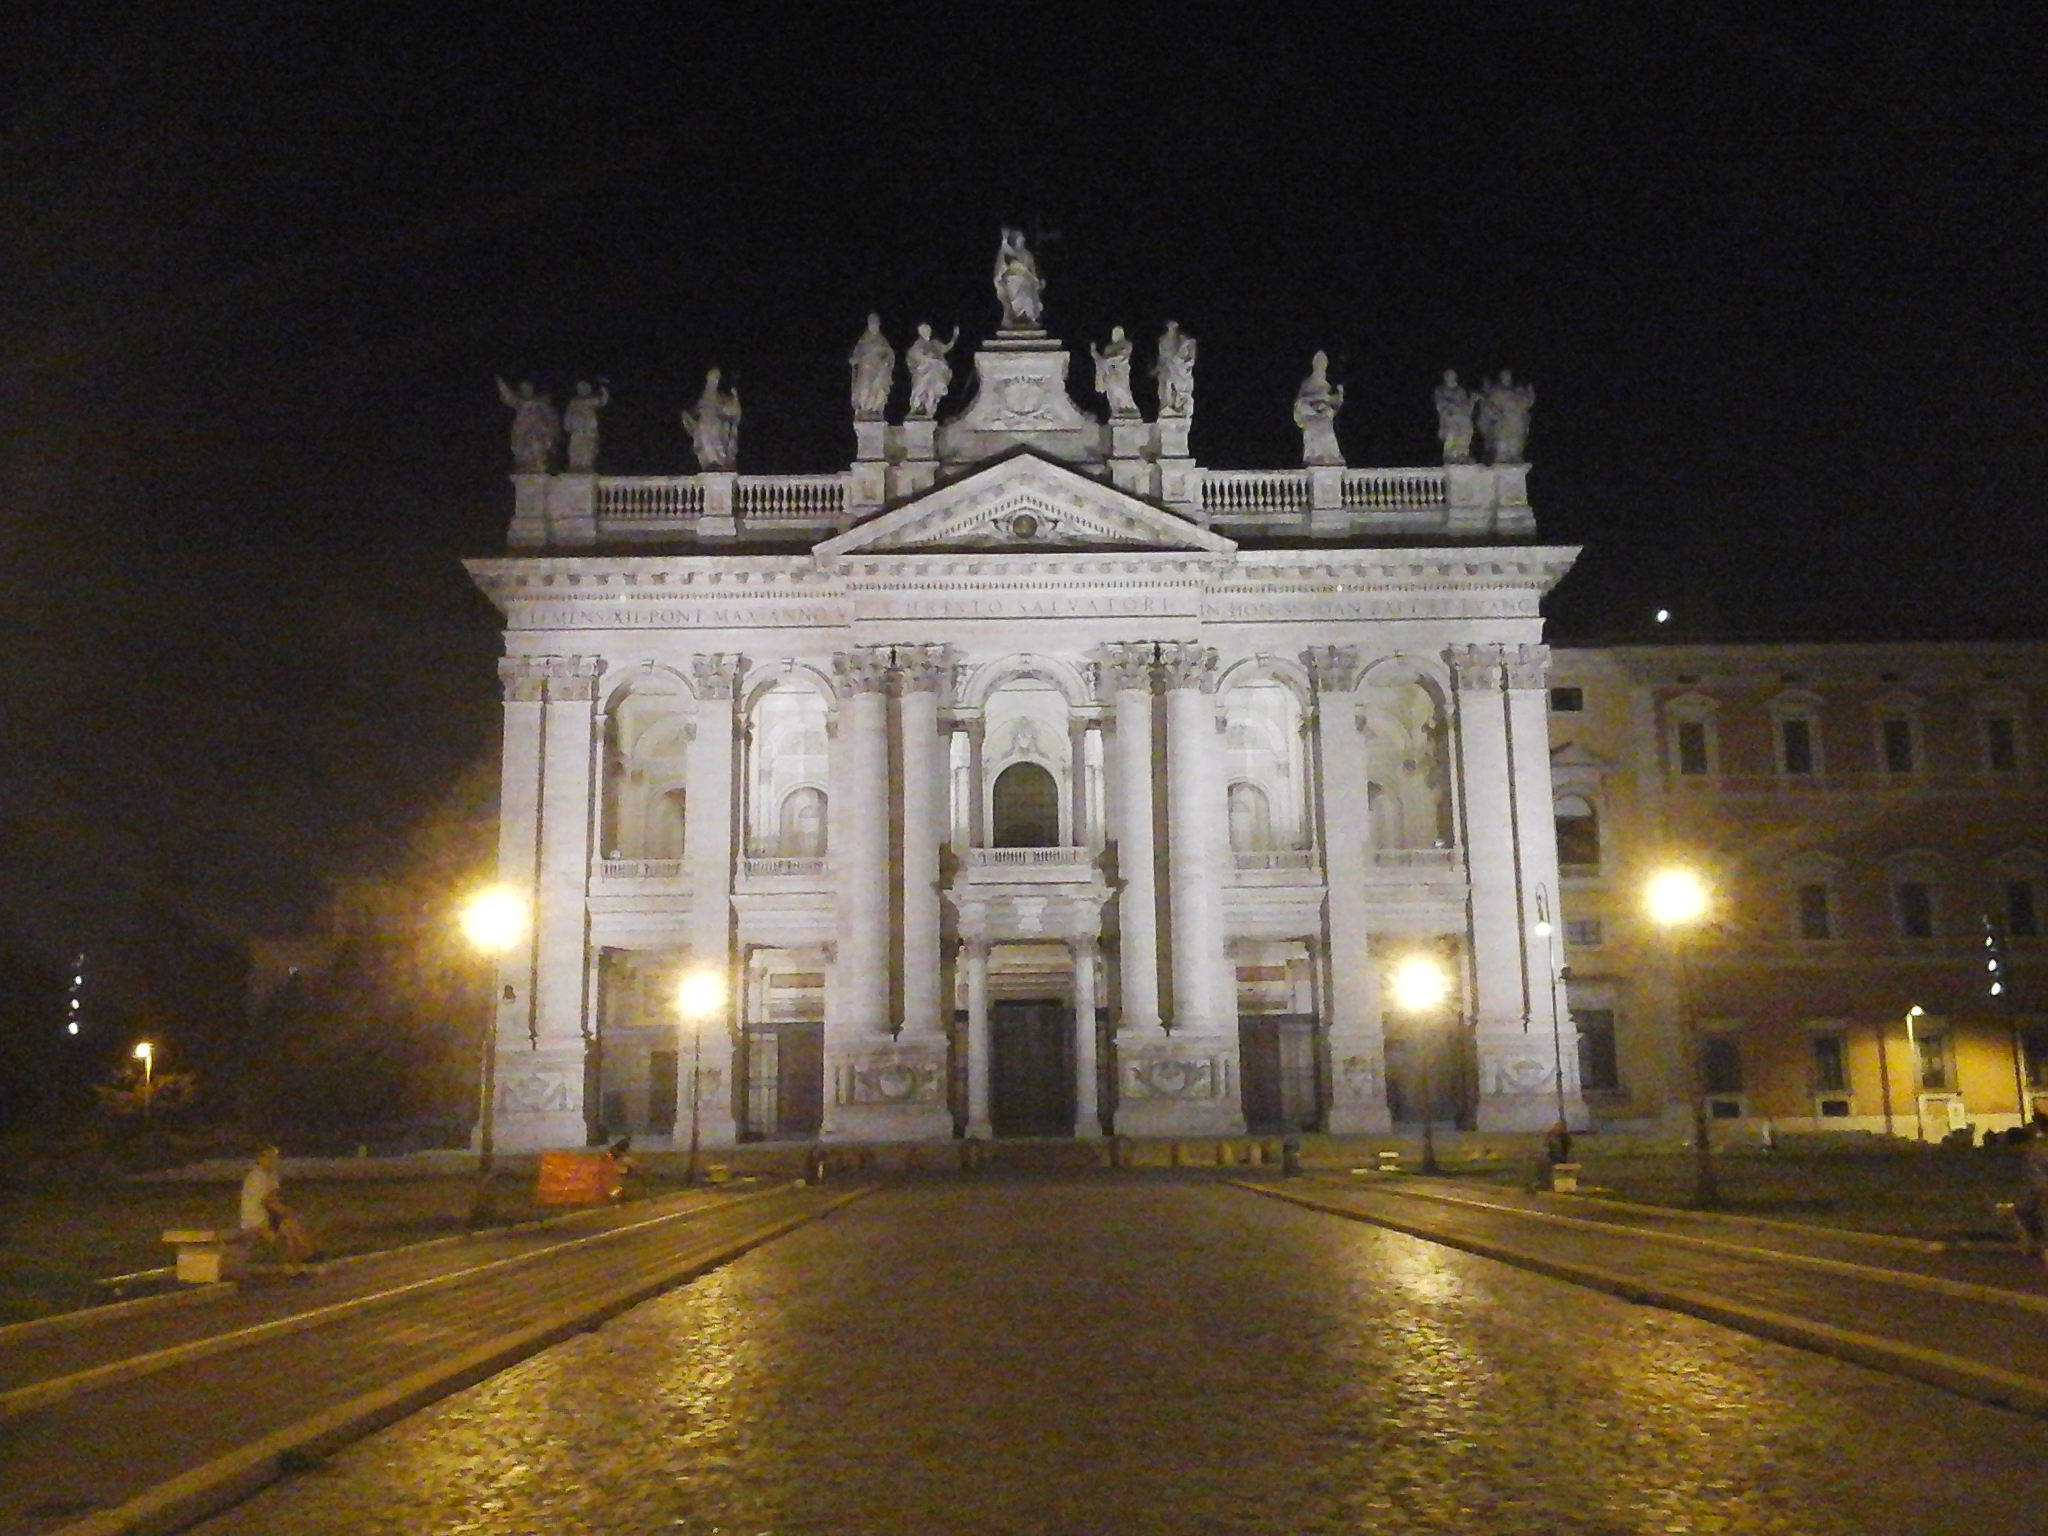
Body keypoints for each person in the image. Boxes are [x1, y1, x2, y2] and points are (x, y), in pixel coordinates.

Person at [240, 1146, 314, 1263]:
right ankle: (305, 1256)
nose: (272, 1160)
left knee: (291, 1225)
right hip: (256, 1221)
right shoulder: (258, 1176)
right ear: (260, 1159)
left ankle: (304, 1256)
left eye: (273, 1157)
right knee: (292, 1226)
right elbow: (269, 1202)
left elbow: (274, 1198)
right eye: (268, 1156)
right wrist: (290, 1213)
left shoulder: (271, 1175)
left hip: (268, 1218)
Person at [905, 323, 958, 419]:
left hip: (933, 374)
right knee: (920, 390)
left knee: (931, 390)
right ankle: (918, 407)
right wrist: (927, 358)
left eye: (928, 331)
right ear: (920, 332)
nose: (928, 333)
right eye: (925, 331)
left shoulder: (934, 344)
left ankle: (928, 408)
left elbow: (946, 348)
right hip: (922, 373)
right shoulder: (918, 344)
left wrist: (954, 337)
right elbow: (913, 355)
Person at [849, 313, 895, 420]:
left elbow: (890, 355)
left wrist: (885, 362)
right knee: (864, 388)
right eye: (872, 323)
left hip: (878, 369)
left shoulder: (882, 341)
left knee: (877, 388)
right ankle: (864, 409)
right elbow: (857, 354)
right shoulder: (863, 341)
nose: (874, 326)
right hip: (865, 370)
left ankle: (875, 409)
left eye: (875, 323)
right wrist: (855, 360)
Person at [2018, 1111, 2048, 1261]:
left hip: (2039, 1187)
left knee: (2030, 1213)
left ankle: (2040, 1243)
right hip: (2038, 1187)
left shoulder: (2037, 1146)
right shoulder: (2037, 1145)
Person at [562, 380, 610, 471]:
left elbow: (602, 401)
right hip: (577, 430)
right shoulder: (574, 402)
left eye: (585, 388)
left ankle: (586, 465)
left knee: (588, 448)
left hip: (589, 429)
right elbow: (569, 415)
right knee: (576, 449)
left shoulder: (591, 400)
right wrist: (568, 425)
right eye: (581, 388)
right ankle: (576, 466)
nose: (583, 390)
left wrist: (604, 390)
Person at [1091, 326, 1138, 418]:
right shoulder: (1109, 347)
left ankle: (1129, 406)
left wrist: (1113, 359)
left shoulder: (1127, 344)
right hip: (1111, 371)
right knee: (1112, 387)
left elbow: (1124, 356)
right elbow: (1104, 360)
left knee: (1124, 387)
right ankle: (1116, 408)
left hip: (1122, 370)